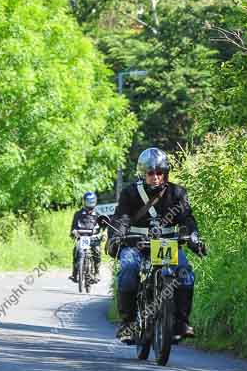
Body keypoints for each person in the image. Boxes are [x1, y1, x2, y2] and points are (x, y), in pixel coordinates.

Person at [107, 147, 206, 343]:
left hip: (167, 245)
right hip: (137, 244)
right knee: (128, 268)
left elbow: (187, 219)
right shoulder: (130, 193)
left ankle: (181, 323)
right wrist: (117, 236)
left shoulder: (178, 193)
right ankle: (128, 323)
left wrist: (193, 237)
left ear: (166, 173)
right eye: (151, 173)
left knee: (185, 272)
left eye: (160, 173)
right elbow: (122, 218)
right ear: (142, 174)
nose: (156, 177)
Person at [69, 191, 102, 283]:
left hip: (93, 238)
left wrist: (100, 234)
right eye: (88, 201)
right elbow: (73, 227)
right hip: (81, 237)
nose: (90, 204)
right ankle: (75, 273)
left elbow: (102, 227)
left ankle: (97, 272)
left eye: (92, 201)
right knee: (76, 250)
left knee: (97, 251)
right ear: (84, 201)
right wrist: (74, 232)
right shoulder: (78, 214)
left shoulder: (98, 214)